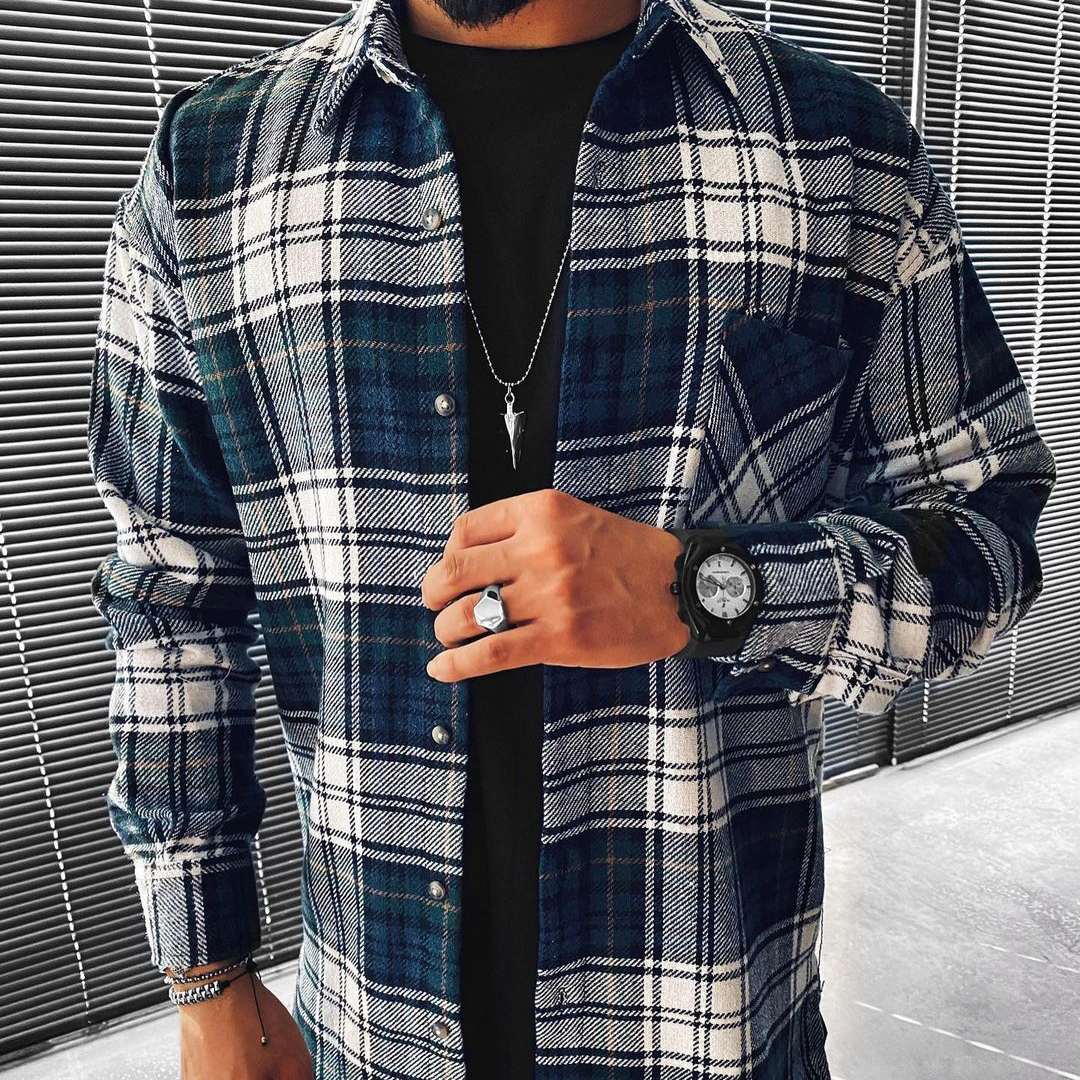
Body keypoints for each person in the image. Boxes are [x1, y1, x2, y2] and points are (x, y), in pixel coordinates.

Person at [84, 0, 1057, 1076]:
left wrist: (710, 588)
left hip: (705, 1023)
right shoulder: (212, 171)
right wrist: (207, 981)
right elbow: (171, 604)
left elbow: (987, 534)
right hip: (372, 1022)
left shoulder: (834, 151)